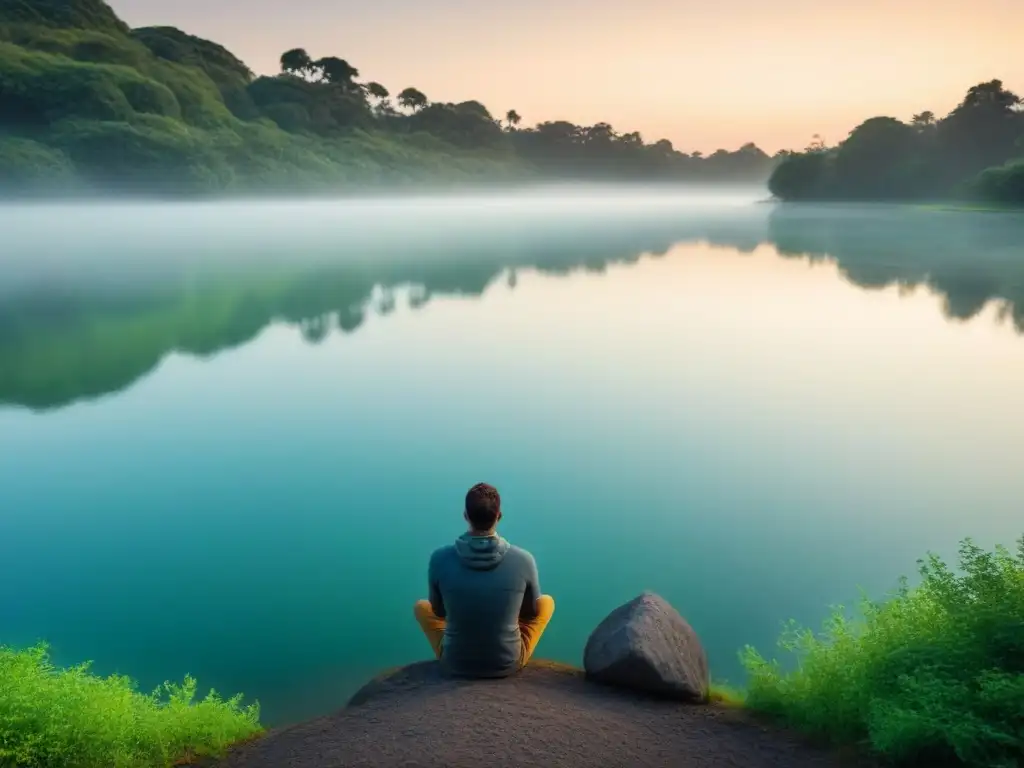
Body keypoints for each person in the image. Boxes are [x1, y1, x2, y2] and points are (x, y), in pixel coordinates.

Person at [414, 483, 555, 677]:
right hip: (508, 662)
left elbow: (438, 612)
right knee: (547, 602)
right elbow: (530, 613)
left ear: (465, 515)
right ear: (499, 516)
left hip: (455, 662)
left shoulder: (439, 558)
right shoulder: (524, 559)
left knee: (422, 607)